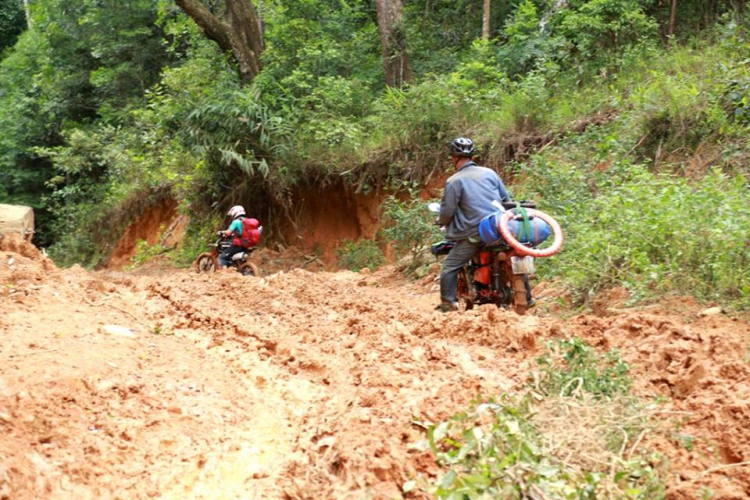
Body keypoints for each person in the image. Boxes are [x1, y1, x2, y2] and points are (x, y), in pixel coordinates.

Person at [437, 137, 532, 312]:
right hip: (500, 229)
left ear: (453, 158)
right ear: (473, 156)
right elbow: (506, 200)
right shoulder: (490, 173)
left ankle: (448, 304)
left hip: (473, 233)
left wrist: (442, 222)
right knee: (513, 255)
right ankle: (529, 299)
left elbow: (447, 212)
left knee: (450, 267)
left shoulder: (454, 181)